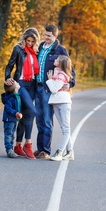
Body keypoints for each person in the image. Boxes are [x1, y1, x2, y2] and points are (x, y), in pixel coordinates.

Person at [34, 24, 75, 159]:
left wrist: (70, 83)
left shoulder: (60, 50)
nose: (46, 37)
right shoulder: (40, 47)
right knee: (39, 119)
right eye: (45, 35)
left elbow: (69, 69)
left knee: (46, 119)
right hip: (38, 86)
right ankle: (40, 148)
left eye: (49, 36)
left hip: (48, 89)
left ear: (55, 36)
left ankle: (45, 150)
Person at [4, 27, 40, 159]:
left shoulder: (37, 51)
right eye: (27, 40)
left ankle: (18, 145)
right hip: (21, 83)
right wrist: (8, 77)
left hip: (33, 85)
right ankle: (28, 143)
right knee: (32, 110)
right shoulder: (18, 49)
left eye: (32, 41)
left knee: (26, 114)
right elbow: (10, 65)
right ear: (24, 39)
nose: (29, 43)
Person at [46, 55, 74, 161]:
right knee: (64, 128)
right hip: (56, 102)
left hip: (63, 102)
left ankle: (59, 152)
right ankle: (70, 151)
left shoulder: (62, 75)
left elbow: (53, 89)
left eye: (57, 59)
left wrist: (49, 80)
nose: (55, 60)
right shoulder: (56, 73)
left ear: (61, 63)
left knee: (66, 128)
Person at [1, 79, 23, 158]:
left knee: (12, 134)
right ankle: (9, 150)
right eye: (17, 83)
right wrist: (16, 113)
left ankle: (10, 149)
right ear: (15, 89)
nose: (18, 83)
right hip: (9, 119)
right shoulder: (10, 98)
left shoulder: (16, 95)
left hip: (13, 119)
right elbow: (8, 108)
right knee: (8, 134)